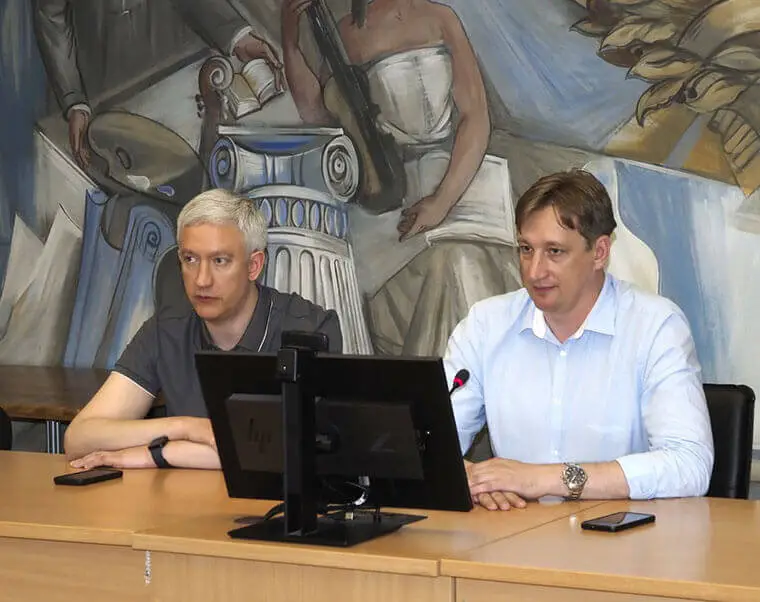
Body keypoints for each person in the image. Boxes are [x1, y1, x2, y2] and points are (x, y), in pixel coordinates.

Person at [444, 169, 714, 510]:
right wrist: (473, 478)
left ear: (599, 252)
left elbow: (689, 465)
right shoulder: (486, 325)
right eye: (526, 249)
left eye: (555, 251)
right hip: (514, 530)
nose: (534, 271)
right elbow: (427, 445)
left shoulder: (655, 326)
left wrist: (542, 479)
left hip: (621, 534)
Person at [281, 0, 520, 357]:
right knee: (447, 267)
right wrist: (289, 43)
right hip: (387, 195)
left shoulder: (441, 18)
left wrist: (441, 202)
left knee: (465, 263)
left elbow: (475, 116)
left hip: (458, 178)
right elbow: (318, 114)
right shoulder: (345, 33)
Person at [64, 188, 342, 470]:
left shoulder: (310, 328)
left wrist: (161, 453)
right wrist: (186, 427)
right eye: (190, 259)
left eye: (219, 261)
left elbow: (298, 451)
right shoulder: (166, 329)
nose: (202, 280)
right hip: (187, 494)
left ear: (254, 265)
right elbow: (79, 439)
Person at [34, 0, 283, 168]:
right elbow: (52, 17)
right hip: (105, 93)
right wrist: (74, 99)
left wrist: (237, 36)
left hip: (176, 77)